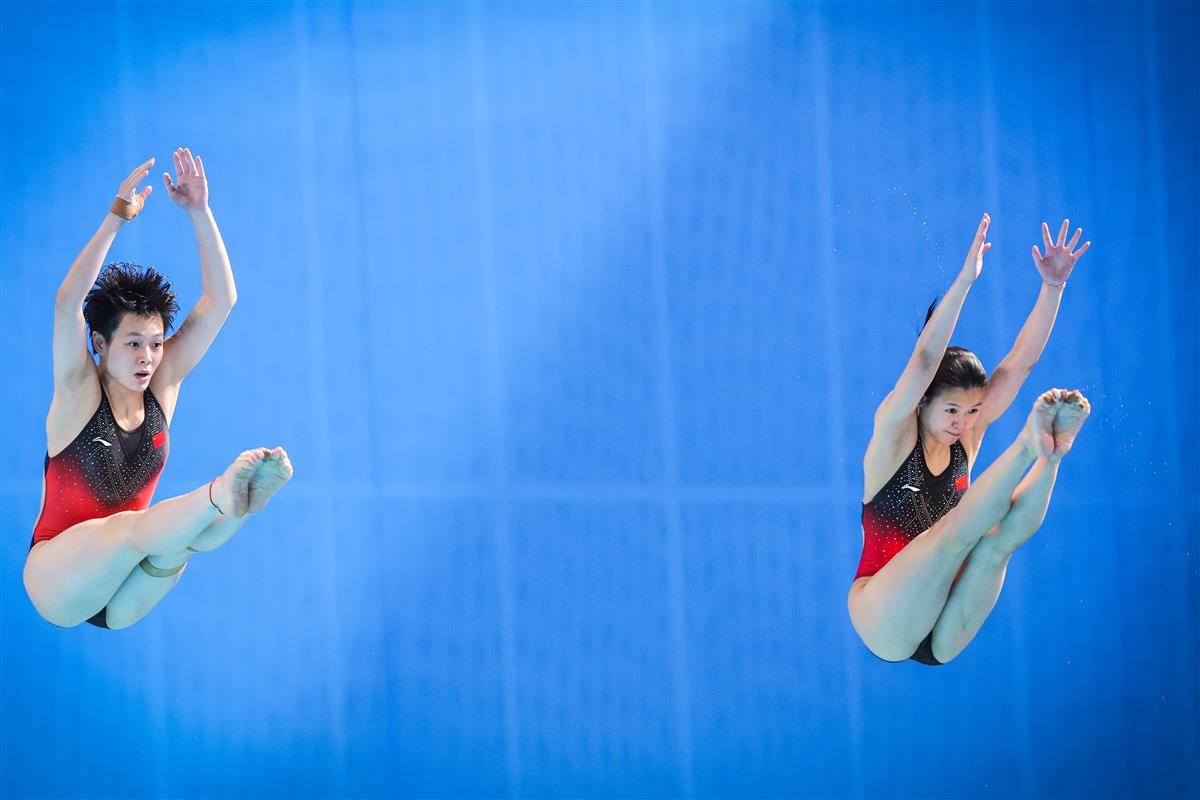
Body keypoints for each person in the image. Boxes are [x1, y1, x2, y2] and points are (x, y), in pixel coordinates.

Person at [24, 149, 293, 630]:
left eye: (154, 343)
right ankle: (221, 493)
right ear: (100, 344)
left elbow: (221, 301)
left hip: (123, 595)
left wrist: (199, 211)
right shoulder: (78, 391)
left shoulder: (162, 385)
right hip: (58, 580)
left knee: (183, 543)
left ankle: (241, 502)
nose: (148, 357)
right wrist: (116, 218)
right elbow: (67, 304)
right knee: (132, 529)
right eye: (133, 344)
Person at [848, 213, 1092, 665]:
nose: (963, 423)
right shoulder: (894, 435)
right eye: (952, 410)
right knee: (953, 533)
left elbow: (1019, 364)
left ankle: (1051, 454)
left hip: (943, 628)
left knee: (999, 540)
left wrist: (1053, 287)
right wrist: (964, 281)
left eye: (973, 411)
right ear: (923, 401)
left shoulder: (968, 435)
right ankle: (1028, 444)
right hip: (883, 615)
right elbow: (925, 359)